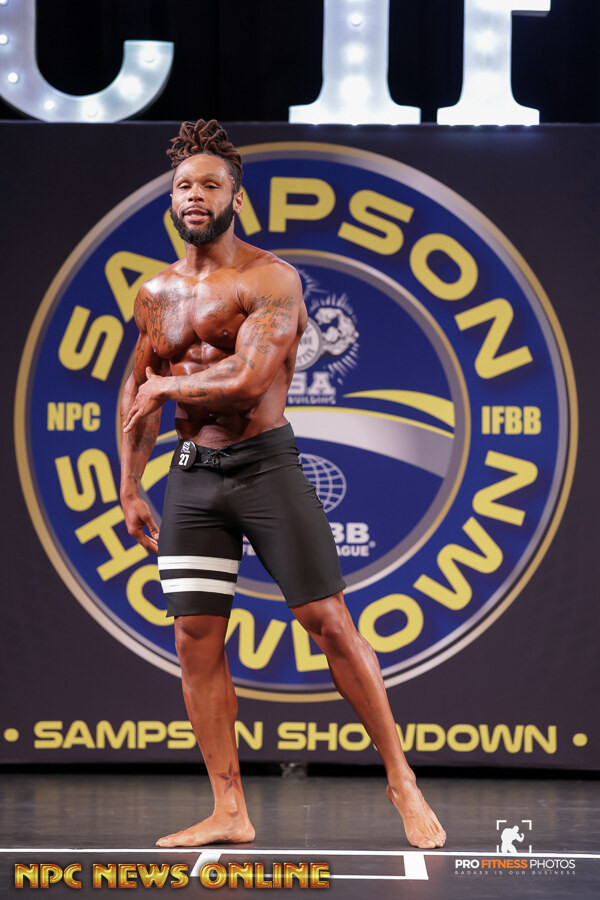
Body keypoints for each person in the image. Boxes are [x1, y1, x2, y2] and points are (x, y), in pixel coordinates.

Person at [120, 119, 446, 851]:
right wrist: (130, 483)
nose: (195, 195)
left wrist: (166, 388)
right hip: (192, 478)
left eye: (210, 185)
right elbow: (135, 389)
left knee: (328, 622)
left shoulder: (270, 279)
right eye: (184, 186)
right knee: (194, 637)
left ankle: (402, 780)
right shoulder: (155, 292)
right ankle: (229, 809)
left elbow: (248, 378)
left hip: (265, 467)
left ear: (236, 198)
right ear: (171, 200)